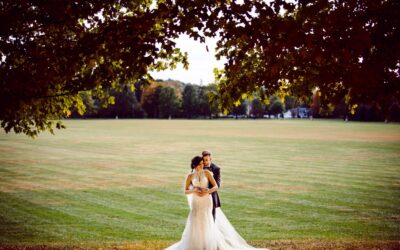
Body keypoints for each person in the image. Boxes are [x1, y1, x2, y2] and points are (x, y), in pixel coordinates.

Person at [165, 156, 269, 250]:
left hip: (206, 200)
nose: (203, 165)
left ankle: (208, 244)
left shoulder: (207, 173)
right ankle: (195, 245)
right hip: (196, 202)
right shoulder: (190, 176)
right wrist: (194, 190)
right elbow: (185, 191)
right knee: (195, 221)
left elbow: (215, 186)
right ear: (195, 165)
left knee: (207, 220)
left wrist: (207, 191)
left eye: (203, 163)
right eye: (201, 163)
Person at [202, 150, 221, 221]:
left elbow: (217, 185)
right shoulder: (200, 167)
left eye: (207, 160)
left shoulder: (216, 169)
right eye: (204, 160)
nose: (205, 162)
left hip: (211, 196)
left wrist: (207, 191)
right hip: (200, 196)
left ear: (210, 159)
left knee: (211, 219)